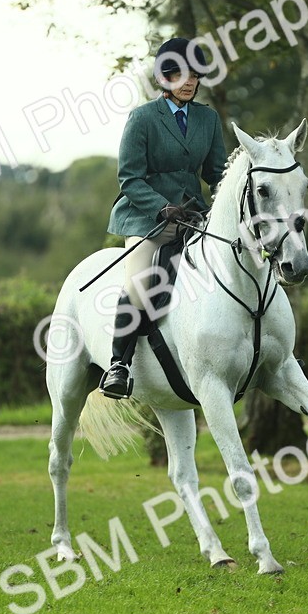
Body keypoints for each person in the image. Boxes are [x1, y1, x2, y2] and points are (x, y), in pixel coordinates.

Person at [98, 37, 228, 399]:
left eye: (194, 75)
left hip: (192, 216)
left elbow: (217, 173)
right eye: (179, 74)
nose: (188, 82)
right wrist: (159, 207)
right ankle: (118, 365)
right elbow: (129, 177)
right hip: (146, 218)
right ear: (164, 78)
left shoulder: (208, 118)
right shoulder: (142, 119)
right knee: (140, 283)